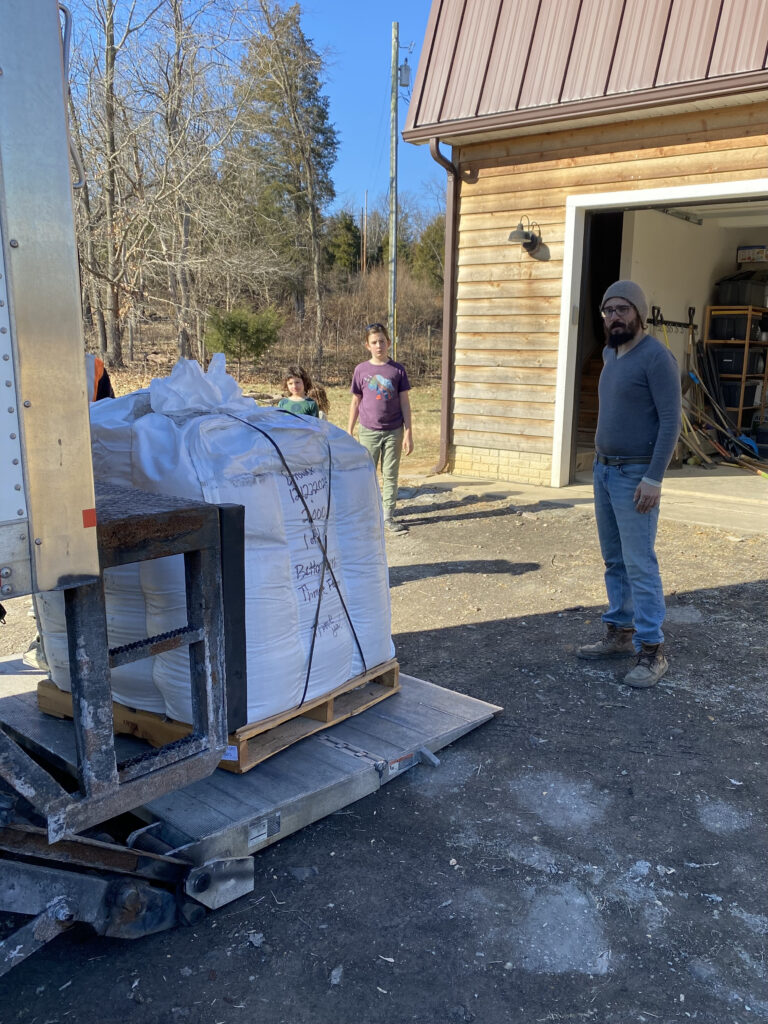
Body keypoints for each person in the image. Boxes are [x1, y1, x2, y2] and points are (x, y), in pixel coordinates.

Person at [577, 281, 682, 688]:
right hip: (604, 472)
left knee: (640, 563)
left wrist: (654, 478)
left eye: (622, 309)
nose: (614, 316)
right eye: (608, 310)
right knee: (614, 560)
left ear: (639, 313)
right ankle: (620, 633)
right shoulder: (610, 354)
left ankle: (652, 653)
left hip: (636, 476)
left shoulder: (657, 358)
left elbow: (671, 422)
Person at [348, 323, 413, 533]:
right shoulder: (361, 370)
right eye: (374, 342)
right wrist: (349, 431)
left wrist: (409, 432)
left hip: (394, 430)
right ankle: (366, 515)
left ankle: (388, 516)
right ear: (367, 345)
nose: (379, 346)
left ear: (389, 342)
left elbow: (405, 402)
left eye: (382, 341)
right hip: (368, 431)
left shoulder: (397, 370)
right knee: (366, 473)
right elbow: (356, 401)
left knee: (391, 474)